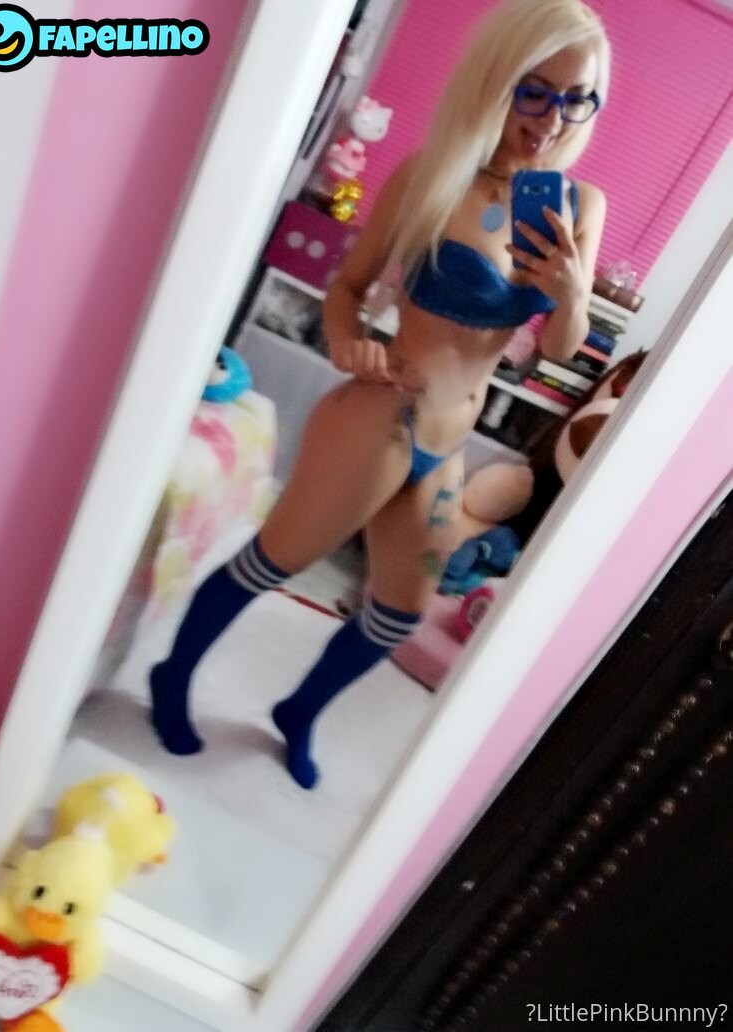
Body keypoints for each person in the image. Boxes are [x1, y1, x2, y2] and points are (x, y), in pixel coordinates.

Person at [150, 0, 610, 789]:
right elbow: (349, 286)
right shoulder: (434, 175)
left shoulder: (580, 207)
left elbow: (561, 351)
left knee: (400, 611)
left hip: (448, 444)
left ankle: (300, 711)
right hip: (381, 414)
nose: (551, 119)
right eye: (535, 92)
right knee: (277, 559)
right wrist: (346, 340)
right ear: (497, 80)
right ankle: (173, 675)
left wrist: (571, 293)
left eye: (576, 99)